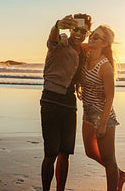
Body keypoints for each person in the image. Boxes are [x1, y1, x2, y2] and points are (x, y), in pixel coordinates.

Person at [40, 14, 92, 191]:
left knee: (66, 153)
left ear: (87, 32)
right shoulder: (62, 40)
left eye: (83, 30)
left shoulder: (84, 52)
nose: (78, 33)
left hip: (70, 104)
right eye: (75, 29)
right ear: (70, 29)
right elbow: (52, 40)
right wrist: (57, 26)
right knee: (51, 152)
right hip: (51, 101)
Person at [77, 25, 125, 191]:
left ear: (105, 44)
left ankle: (115, 181)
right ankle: (119, 174)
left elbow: (110, 97)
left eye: (96, 37)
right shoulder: (86, 54)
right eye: (92, 34)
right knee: (90, 153)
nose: (91, 37)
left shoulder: (105, 66)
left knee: (108, 160)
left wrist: (103, 124)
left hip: (104, 117)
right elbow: (76, 43)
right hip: (88, 115)